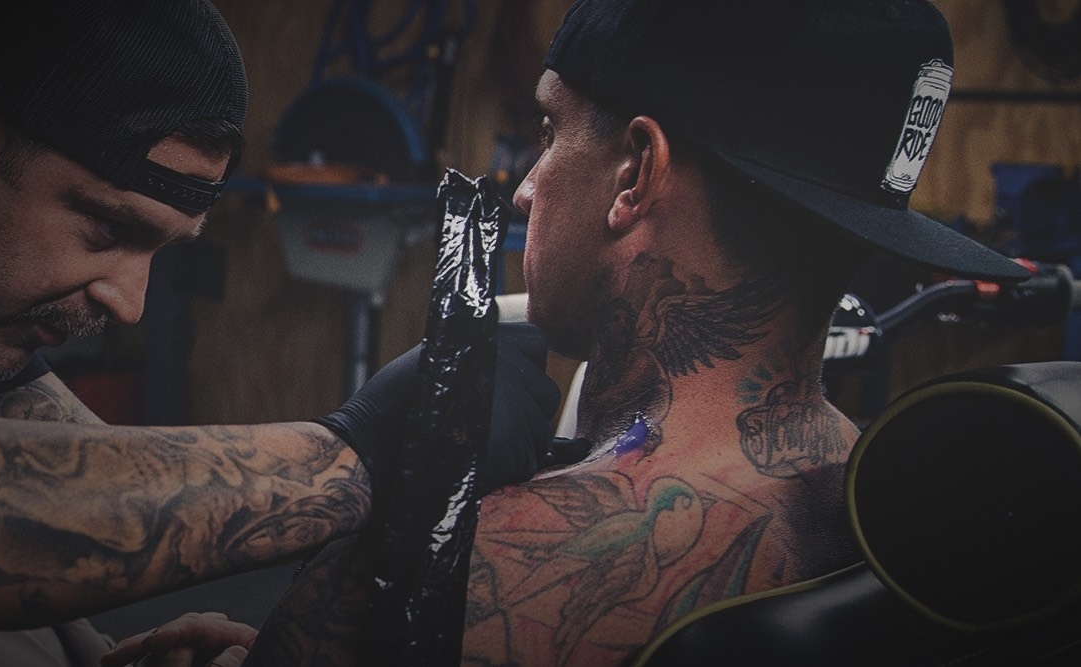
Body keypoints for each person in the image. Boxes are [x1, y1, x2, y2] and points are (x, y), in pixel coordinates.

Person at [241, 0, 1033, 665]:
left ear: (635, 173)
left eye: (549, 131)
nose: (523, 191)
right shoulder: (895, 524)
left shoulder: (443, 574)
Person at [0, 1, 571, 666]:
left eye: (160, 249)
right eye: (106, 227)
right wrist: (353, 454)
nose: (130, 303)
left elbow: (65, 483)